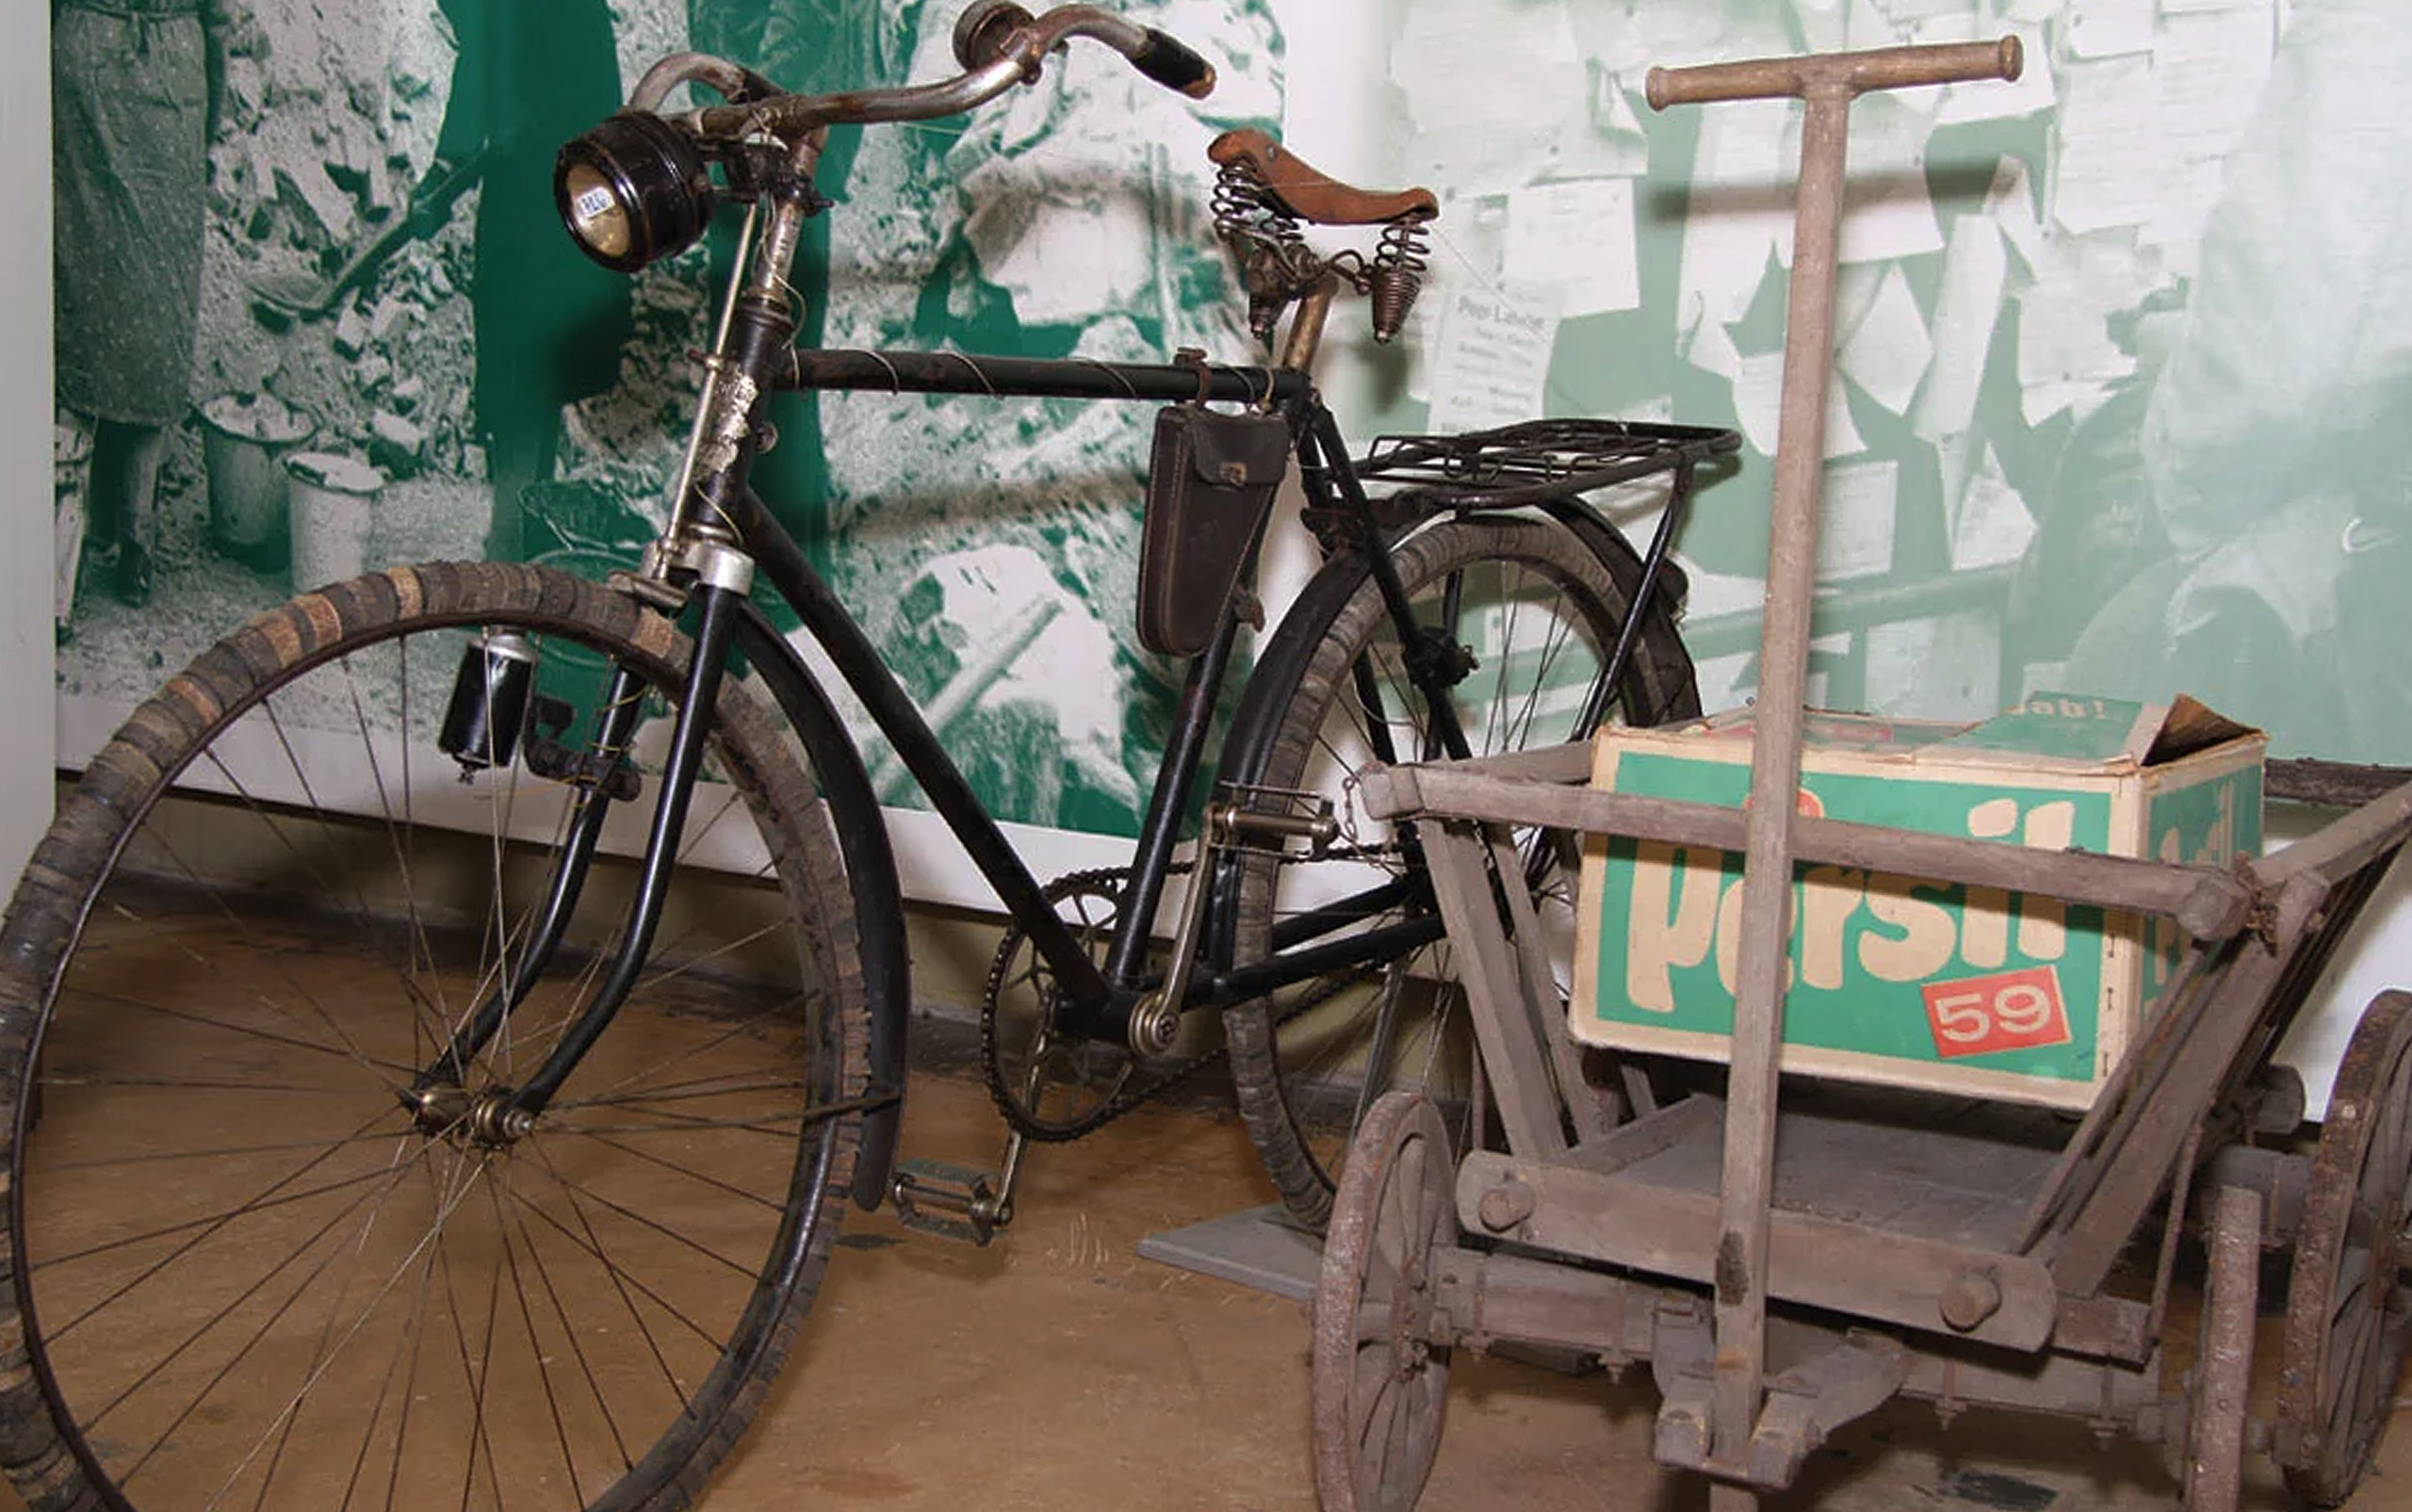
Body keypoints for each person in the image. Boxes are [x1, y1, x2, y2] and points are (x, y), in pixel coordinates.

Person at [412, 0, 634, 561]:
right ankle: (526, 545)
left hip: (536, 192)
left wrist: (443, 172)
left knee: (519, 377)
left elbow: (485, 65)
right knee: (542, 377)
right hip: (584, 181)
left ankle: (506, 557)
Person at [52, 0, 232, 607]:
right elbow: (219, 18)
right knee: (156, 308)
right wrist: (211, 116)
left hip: (87, 63)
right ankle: (134, 539)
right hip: (173, 78)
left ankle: (67, 544)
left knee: (85, 298)